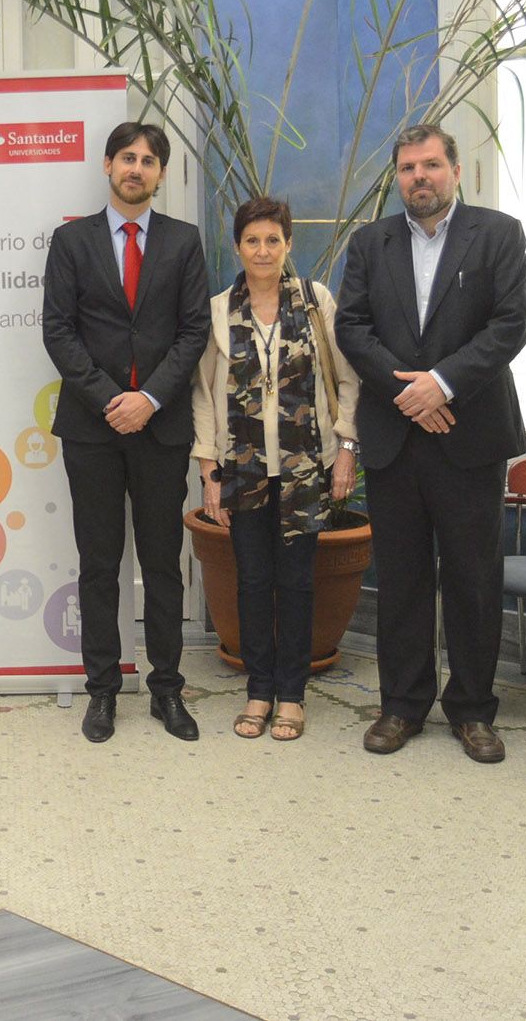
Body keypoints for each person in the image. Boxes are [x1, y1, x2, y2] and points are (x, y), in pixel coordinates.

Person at [334, 124, 526, 762]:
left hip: (470, 433)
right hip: (396, 436)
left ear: (455, 169)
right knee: (402, 579)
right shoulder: (371, 242)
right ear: (398, 177)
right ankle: (402, 706)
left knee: (474, 578)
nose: (419, 177)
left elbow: (510, 325)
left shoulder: (498, 234)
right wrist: (409, 395)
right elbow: (352, 325)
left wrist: (442, 386)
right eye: (408, 168)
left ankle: (473, 710)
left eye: (431, 165)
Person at [41, 120, 212, 743]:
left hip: (162, 428)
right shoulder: (72, 242)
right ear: (108, 166)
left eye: (148, 160)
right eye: (127, 158)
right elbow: (58, 331)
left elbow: (195, 330)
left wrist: (151, 398)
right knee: (99, 563)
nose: (136, 168)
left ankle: (167, 689)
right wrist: (115, 399)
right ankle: (103, 691)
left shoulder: (184, 241)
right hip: (92, 428)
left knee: (164, 563)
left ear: (162, 174)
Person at [192, 196, 359, 741]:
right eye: (252, 240)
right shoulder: (218, 309)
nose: (262, 250)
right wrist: (208, 468)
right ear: (238, 247)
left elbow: (347, 380)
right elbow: (204, 395)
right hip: (241, 470)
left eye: (273, 240)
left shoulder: (316, 302)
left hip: (307, 466)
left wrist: (347, 450)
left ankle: (291, 695)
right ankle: (258, 691)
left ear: (289, 245)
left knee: (296, 583)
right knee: (253, 581)